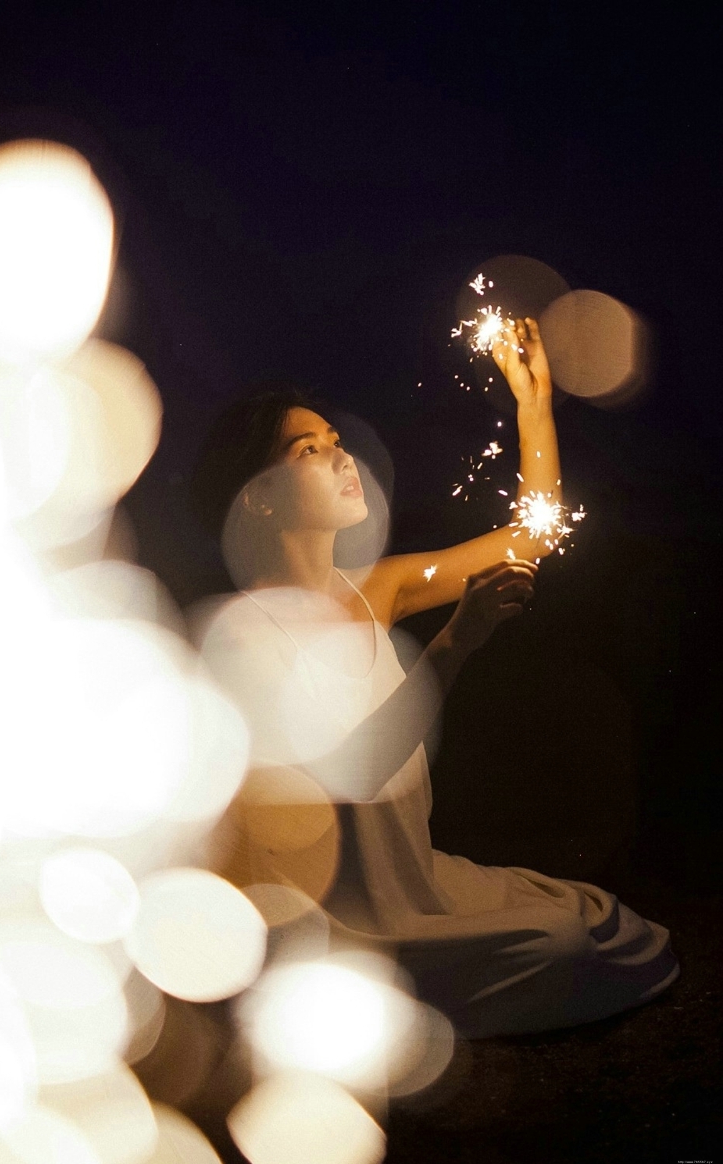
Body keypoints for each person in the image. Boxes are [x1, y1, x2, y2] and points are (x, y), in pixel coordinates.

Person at [190, 319, 678, 1039]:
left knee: (604, 921)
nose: (340, 456)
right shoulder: (245, 634)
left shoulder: (378, 587)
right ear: (259, 496)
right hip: (342, 910)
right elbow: (353, 775)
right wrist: (456, 642)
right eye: (308, 450)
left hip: (412, 875)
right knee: (563, 947)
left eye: (336, 440)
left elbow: (535, 535)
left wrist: (533, 405)